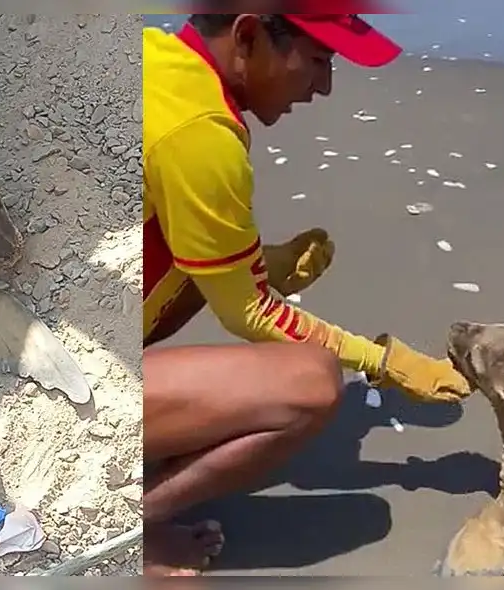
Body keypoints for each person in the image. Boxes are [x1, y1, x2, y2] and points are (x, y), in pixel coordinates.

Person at [142, 14, 473, 576]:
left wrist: (260, 264)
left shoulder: (158, 62)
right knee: (315, 384)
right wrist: (383, 361)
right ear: (248, 37)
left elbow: (175, 246)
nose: (323, 87)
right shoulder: (200, 135)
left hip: (43, 323)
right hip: (38, 380)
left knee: (210, 279)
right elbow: (249, 312)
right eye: (319, 61)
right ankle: (120, 532)